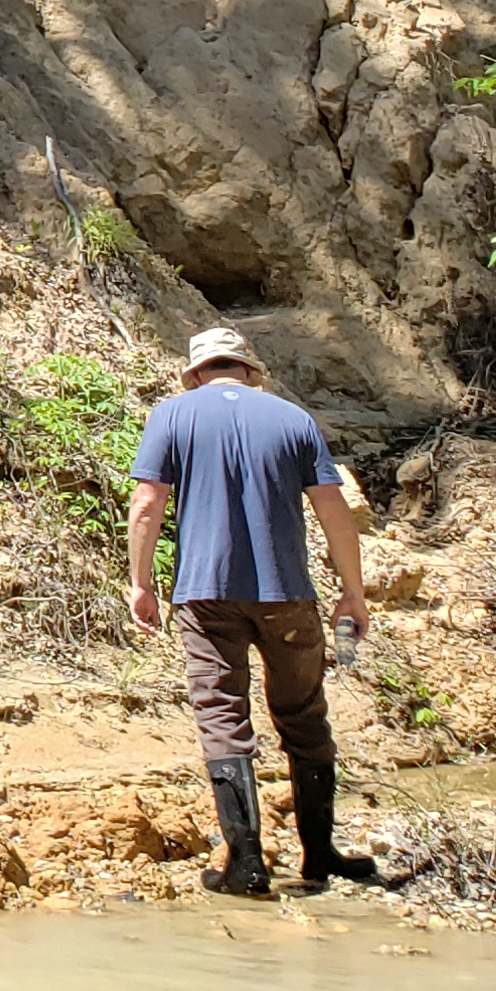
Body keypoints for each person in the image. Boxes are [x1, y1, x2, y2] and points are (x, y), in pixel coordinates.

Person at [128, 325, 380, 897]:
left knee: (222, 717)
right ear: (249, 370)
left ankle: (245, 865)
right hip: (288, 593)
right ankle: (320, 857)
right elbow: (333, 508)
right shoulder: (293, 419)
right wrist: (352, 590)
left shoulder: (171, 416)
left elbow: (147, 503)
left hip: (204, 594)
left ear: (195, 373)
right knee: (304, 715)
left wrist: (140, 583)